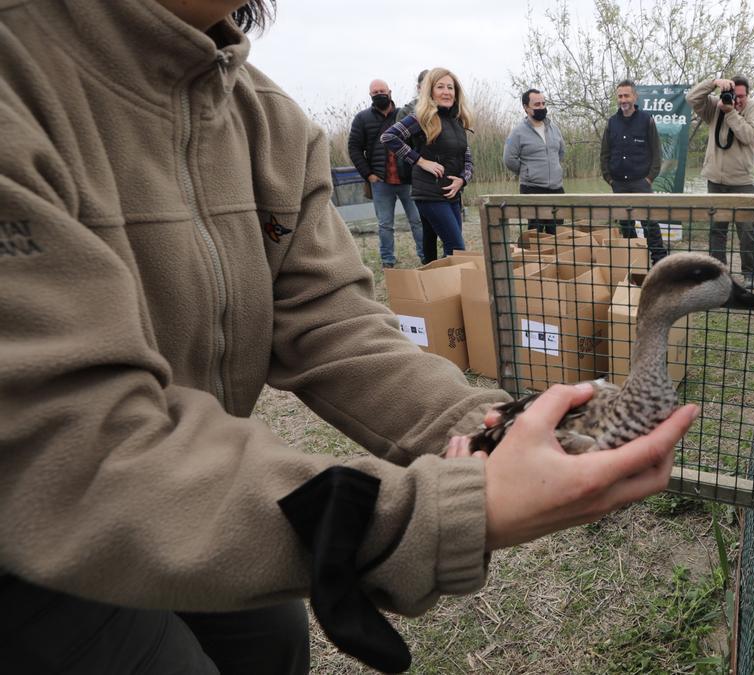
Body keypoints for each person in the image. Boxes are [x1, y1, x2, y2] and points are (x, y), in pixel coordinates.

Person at [0, 2, 698, 673]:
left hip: (191, 499)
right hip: (28, 543)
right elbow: (72, 446)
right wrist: (449, 511)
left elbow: (336, 325)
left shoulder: (268, 124)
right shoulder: (20, 87)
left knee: (273, 638)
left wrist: (490, 431)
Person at [381, 68, 473, 262]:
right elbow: (389, 137)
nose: (446, 92)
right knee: (458, 248)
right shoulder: (421, 117)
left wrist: (462, 180)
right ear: (430, 90)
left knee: (451, 251)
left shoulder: (457, 120)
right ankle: (450, 288)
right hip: (430, 194)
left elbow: (467, 156)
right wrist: (420, 161)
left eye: (450, 87)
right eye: (440, 87)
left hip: (452, 194)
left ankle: (441, 288)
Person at [687, 75, 754, 288]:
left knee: (747, 230)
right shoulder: (715, 105)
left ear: (748, 95)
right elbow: (691, 98)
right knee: (717, 229)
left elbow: (748, 135)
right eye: (733, 95)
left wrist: (730, 112)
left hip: (743, 182)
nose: (736, 100)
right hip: (716, 180)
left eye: (741, 96)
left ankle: (750, 273)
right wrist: (713, 82)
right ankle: (717, 275)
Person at [348, 78, 424, 267]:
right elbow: (354, 148)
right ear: (370, 96)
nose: (379, 95)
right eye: (375, 93)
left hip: (406, 179)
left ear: (389, 92)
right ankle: (387, 260)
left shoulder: (404, 114)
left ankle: (425, 255)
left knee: (418, 221)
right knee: (385, 224)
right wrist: (368, 174)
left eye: (382, 91)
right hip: (381, 180)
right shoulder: (362, 118)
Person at [600, 79, 668, 264]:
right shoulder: (611, 123)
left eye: (626, 95)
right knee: (626, 225)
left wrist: (649, 178)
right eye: (620, 96)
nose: (623, 100)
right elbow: (604, 153)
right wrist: (609, 178)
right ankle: (634, 262)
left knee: (650, 224)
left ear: (634, 97)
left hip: (641, 182)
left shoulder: (646, 120)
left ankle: (659, 262)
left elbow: (656, 152)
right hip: (618, 184)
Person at [503, 88, 566, 234]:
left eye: (543, 103)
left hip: (557, 189)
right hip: (532, 188)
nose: (541, 107)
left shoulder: (554, 128)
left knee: (557, 232)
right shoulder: (518, 132)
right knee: (535, 232)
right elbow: (509, 159)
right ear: (526, 107)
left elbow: (561, 152)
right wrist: (527, 171)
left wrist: (553, 168)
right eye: (537, 104)